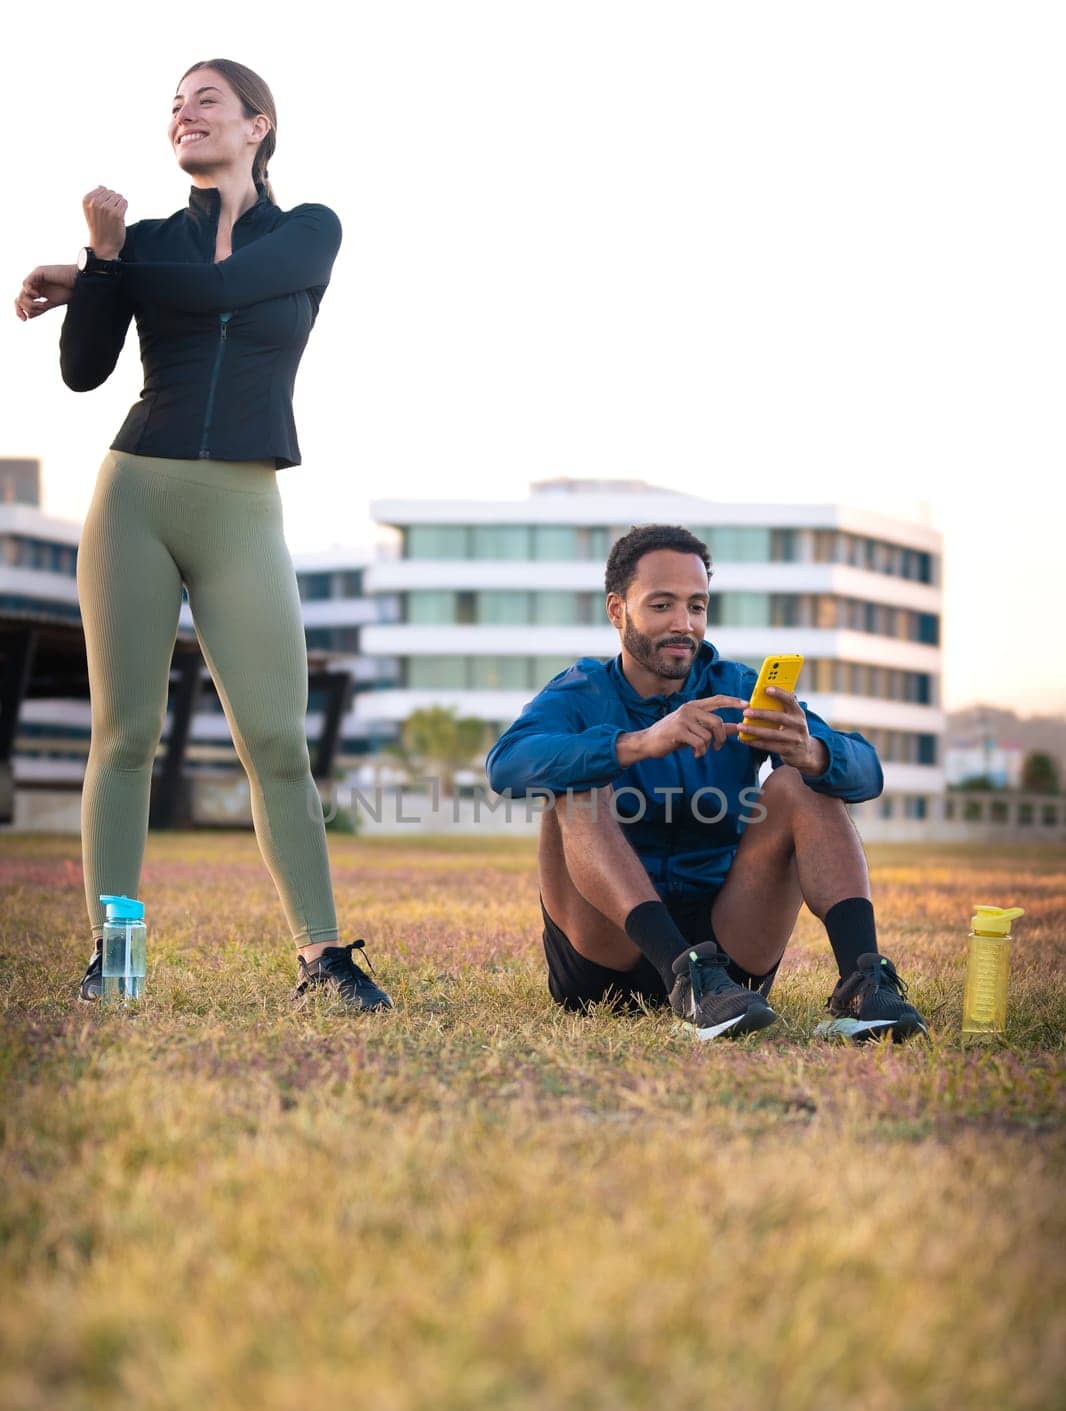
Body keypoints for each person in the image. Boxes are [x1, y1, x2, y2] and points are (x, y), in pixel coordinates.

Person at [14, 58, 391, 1012]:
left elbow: (232, 287)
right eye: (173, 105)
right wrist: (102, 264)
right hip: (135, 493)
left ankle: (323, 957)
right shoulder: (137, 243)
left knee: (274, 739)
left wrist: (109, 274)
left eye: (205, 100)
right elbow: (83, 370)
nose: (183, 114)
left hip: (242, 508)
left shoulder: (309, 232)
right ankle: (119, 956)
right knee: (125, 736)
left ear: (258, 126)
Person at [485, 524, 928, 1042]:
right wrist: (637, 742)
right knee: (578, 781)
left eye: (697, 606)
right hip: (607, 951)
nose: (684, 624)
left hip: (728, 954)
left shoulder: (738, 689)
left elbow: (867, 771)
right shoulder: (581, 690)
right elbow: (506, 766)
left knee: (801, 781)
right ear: (616, 610)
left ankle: (865, 987)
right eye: (661, 605)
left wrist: (811, 752)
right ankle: (684, 974)